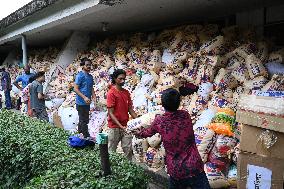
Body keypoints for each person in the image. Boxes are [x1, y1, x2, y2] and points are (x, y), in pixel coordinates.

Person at [134, 88, 210, 189]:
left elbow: (146, 133)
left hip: (176, 169)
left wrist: (138, 133)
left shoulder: (160, 121)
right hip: (194, 166)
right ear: (179, 103)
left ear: (162, 104)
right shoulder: (185, 115)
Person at [107, 69, 138, 160]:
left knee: (128, 150)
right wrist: (120, 126)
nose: (123, 81)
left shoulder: (126, 93)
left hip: (125, 125)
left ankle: (128, 169)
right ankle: (110, 170)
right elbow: (111, 113)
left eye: (124, 79)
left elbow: (130, 110)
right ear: (115, 79)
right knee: (111, 150)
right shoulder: (111, 93)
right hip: (114, 127)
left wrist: (139, 121)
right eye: (120, 79)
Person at [74, 58, 95, 138]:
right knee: (84, 120)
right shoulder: (79, 76)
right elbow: (75, 89)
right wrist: (84, 97)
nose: (89, 66)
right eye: (87, 65)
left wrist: (94, 96)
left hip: (87, 102)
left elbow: (91, 87)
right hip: (80, 102)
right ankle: (86, 136)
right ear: (83, 66)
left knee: (83, 119)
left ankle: (80, 134)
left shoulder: (90, 76)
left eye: (90, 65)